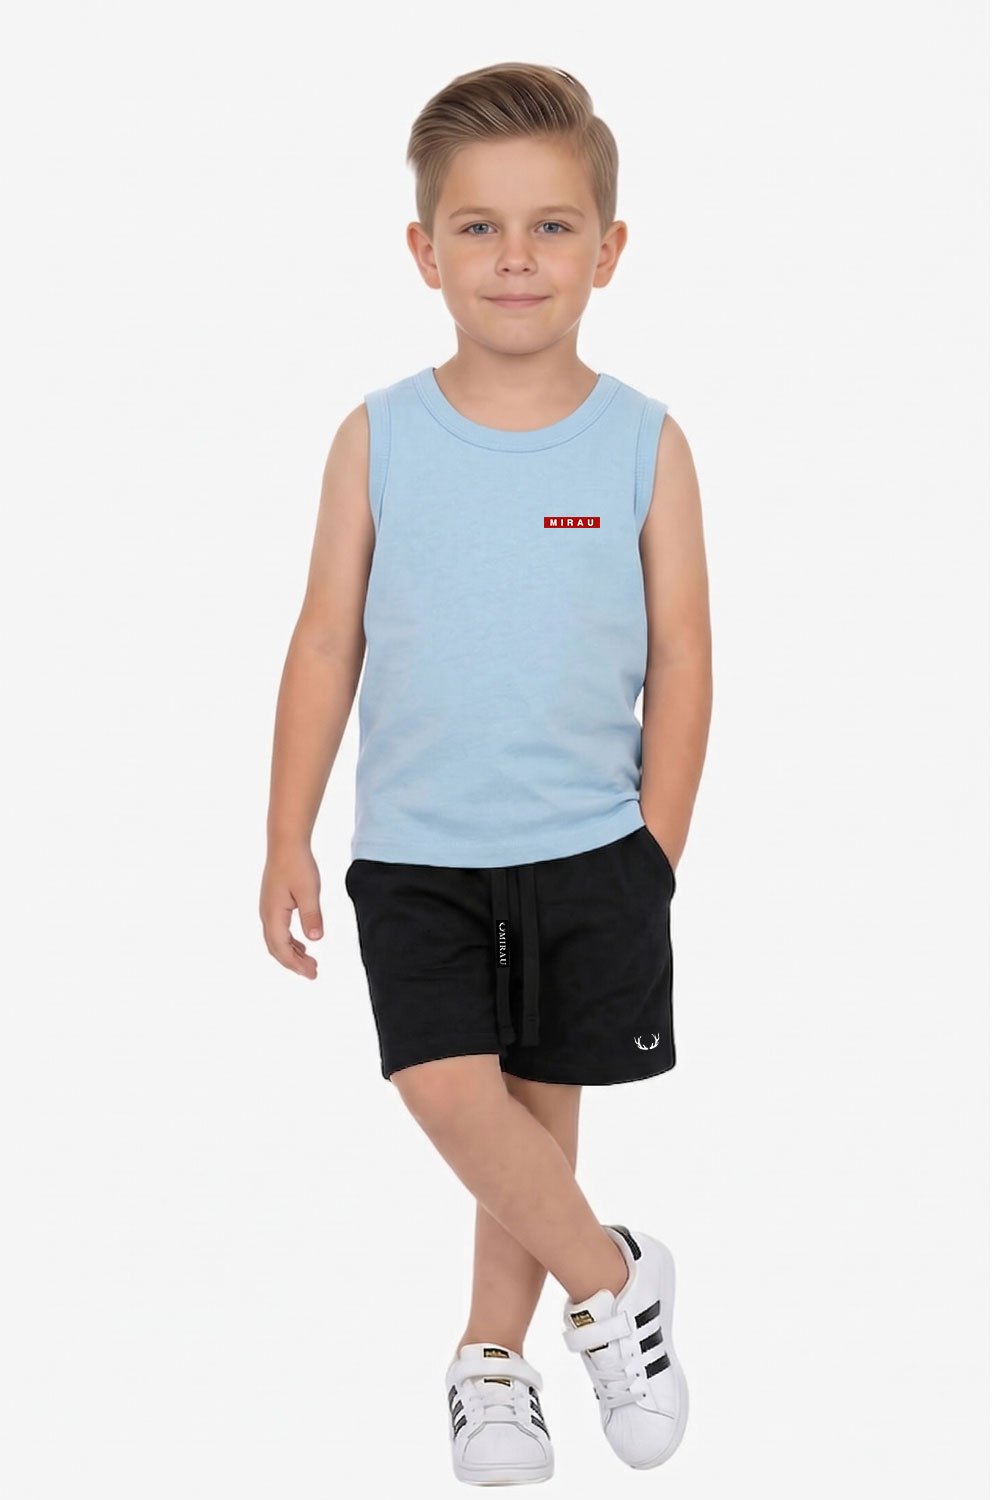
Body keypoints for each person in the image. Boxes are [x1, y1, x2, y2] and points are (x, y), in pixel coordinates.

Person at [259, 60, 712, 1486]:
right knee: (452, 1092)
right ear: (425, 250)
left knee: (535, 1122)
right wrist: (283, 832)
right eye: (478, 227)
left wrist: (655, 847)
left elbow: (685, 652)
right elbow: (324, 639)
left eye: (551, 225)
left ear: (607, 249)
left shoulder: (644, 441)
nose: (515, 257)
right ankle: (616, 1283)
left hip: (589, 848)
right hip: (416, 850)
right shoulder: (379, 435)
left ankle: (491, 1361)